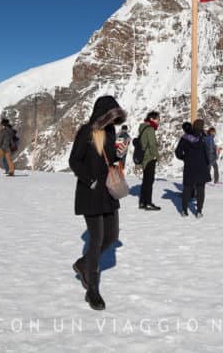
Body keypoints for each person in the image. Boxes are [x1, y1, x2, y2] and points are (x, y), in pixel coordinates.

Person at [69, 95, 128, 311]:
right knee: (96, 239)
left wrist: (120, 155)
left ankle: (84, 263)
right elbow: (73, 160)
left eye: (115, 117)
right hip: (91, 193)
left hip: (109, 193)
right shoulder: (87, 132)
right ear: (102, 114)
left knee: (112, 236)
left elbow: (111, 159)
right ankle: (91, 289)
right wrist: (90, 180)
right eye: (110, 116)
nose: (113, 121)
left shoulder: (111, 131)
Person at [175, 120, 211, 217]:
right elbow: (208, 153)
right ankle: (199, 211)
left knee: (187, 188)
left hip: (189, 166)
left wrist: (185, 158)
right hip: (202, 166)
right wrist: (207, 163)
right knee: (200, 189)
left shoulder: (185, 138)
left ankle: (184, 211)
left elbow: (178, 152)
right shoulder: (204, 138)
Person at [137, 111, 161, 211]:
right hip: (149, 158)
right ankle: (148, 203)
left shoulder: (143, 127)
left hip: (144, 157)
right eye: (157, 119)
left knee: (145, 180)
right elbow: (152, 144)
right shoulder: (150, 129)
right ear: (152, 119)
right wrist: (157, 156)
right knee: (149, 181)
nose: (158, 121)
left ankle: (142, 202)